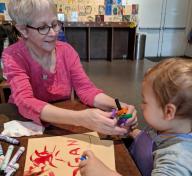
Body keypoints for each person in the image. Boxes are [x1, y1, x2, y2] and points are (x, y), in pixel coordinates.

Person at [2, 0, 137, 135]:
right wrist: (81, 119)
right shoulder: (13, 55)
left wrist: (118, 105)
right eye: (42, 27)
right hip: (24, 124)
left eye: (55, 24)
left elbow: (86, 89)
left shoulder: (66, 51)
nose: (54, 33)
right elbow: (25, 102)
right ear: (23, 30)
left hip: (63, 121)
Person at [79, 58, 192, 176]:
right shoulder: (165, 127)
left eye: (145, 101)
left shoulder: (177, 159)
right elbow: (150, 140)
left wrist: (103, 174)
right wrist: (131, 132)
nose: (141, 105)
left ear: (168, 112)